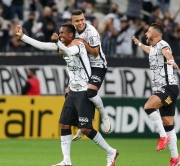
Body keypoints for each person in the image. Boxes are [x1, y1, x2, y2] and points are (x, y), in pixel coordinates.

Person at [15, 23, 119, 166]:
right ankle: (66, 161)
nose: (60, 35)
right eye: (59, 33)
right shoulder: (62, 45)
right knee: (64, 124)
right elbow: (42, 46)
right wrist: (23, 37)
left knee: (85, 129)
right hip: (73, 91)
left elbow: (69, 52)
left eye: (63, 33)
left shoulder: (79, 45)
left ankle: (110, 151)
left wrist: (57, 42)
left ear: (71, 35)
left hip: (84, 91)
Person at [131, 23, 180, 166]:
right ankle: (175, 158)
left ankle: (162, 137)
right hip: (164, 88)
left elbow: (167, 52)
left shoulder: (163, 44)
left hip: (168, 88)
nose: (146, 34)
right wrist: (139, 43)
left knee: (148, 106)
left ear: (155, 35)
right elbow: (149, 50)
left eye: (148, 32)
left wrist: (171, 60)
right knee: (168, 124)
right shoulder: (154, 48)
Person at [70, 10, 111, 141]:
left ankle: (104, 116)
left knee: (91, 92)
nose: (81, 22)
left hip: (98, 66)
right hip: (83, 67)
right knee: (74, 94)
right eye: (77, 20)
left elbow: (95, 53)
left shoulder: (91, 31)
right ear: (73, 22)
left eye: (82, 19)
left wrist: (82, 42)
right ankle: (83, 126)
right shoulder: (71, 32)